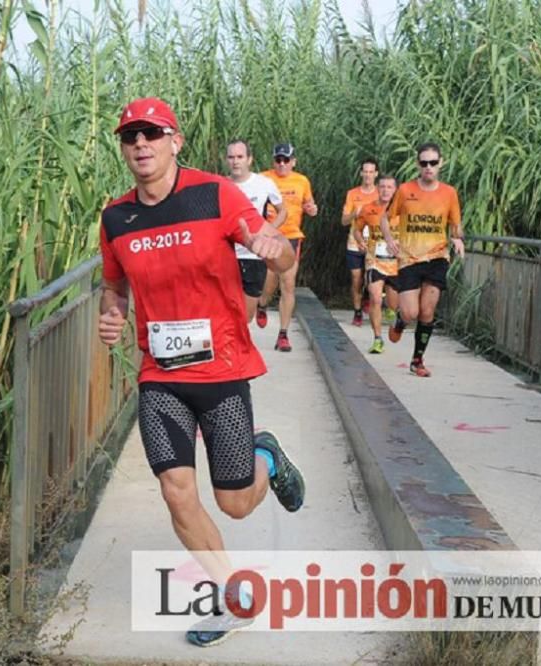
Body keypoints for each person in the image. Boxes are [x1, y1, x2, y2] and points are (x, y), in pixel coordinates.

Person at [97, 98, 306, 647]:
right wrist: (112, 312)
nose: (141, 144)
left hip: (222, 371)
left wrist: (273, 247)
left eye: (152, 133)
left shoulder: (215, 194)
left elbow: (282, 258)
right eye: (130, 136)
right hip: (160, 375)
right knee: (176, 491)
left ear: (175, 141)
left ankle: (266, 454)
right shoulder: (116, 217)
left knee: (235, 504)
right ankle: (231, 597)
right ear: (123, 147)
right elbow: (113, 283)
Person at [381, 142, 464, 377]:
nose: (429, 167)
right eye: (424, 163)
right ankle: (400, 321)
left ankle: (417, 360)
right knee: (411, 313)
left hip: (437, 257)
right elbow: (385, 219)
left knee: (427, 311)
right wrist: (389, 239)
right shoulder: (406, 190)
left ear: (441, 163)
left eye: (433, 163)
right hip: (409, 258)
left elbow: (455, 224)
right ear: (418, 164)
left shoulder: (449, 193)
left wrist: (457, 238)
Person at [256, 143, 318, 352]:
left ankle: (283, 335)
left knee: (288, 283)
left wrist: (312, 209)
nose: (282, 164)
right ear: (273, 161)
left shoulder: (302, 181)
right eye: (278, 160)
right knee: (269, 282)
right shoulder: (263, 179)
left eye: (286, 160)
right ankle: (262, 304)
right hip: (270, 236)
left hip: (292, 237)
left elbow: (310, 205)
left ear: (294, 161)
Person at [225, 139, 287, 322]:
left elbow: (283, 211)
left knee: (245, 318)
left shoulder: (264, 184)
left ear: (249, 159)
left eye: (240, 157)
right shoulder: (219, 184)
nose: (235, 161)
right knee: (226, 313)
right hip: (226, 256)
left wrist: (267, 234)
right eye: (231, 157)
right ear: (226, 160)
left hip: (253, 256)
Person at [353, 174, 399, 354]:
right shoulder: (368, 209)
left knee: (394, 305)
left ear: (395, 189)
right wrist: (360, 241)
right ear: (377, 189)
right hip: (374, 260)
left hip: (396, 263)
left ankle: (392, 311)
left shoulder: (402, 209)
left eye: (389, 187)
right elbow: (357, 230)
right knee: (375, 298)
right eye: (382, 187)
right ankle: (378, 338)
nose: (386, 190)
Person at [340, 158, 379, 327]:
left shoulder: (381, 193)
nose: (368, 175)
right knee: (356, 278)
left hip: (376, 243)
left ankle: (367, 299)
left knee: (373, 280)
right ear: (361, 173)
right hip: (354, 242)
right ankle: (357, 312)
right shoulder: (352, 194)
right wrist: (354, 214)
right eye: (366, 172)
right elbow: (344, 221)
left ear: (376, 174)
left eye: (371, 172)